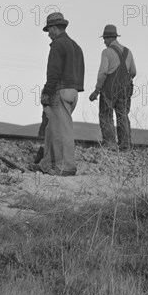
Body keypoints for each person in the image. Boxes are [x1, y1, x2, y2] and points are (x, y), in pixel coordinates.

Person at [31, 12, 85, 176]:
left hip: (60, 90)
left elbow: (53, 73)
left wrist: (46, 93)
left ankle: (66, 167)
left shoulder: (57, 45)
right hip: (74, 91)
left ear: (54, 28)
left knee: (61, 130)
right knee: (52, 128)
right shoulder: (75, 46)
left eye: (49, 30)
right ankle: (47, 164)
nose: (48, 34)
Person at [88, 24, 136, 151]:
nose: (104, 41)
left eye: (105, 39)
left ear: (109, 38)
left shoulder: (107, 52)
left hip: (109, 89)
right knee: (122, 115)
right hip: (124, 89)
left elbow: (103, 72)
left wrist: (97, 90)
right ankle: (125, 145)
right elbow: (133, 72)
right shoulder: (128, 52)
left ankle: (110, 143)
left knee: (106, 115)